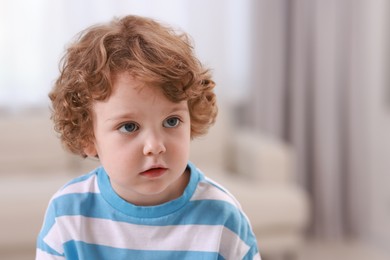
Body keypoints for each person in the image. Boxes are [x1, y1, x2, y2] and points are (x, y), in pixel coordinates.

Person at [36, 15, 260, 260]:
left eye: (171, 122)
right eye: (129, 127)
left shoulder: (223, 217)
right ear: (89, 138)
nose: (155, 146)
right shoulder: (67, 213)